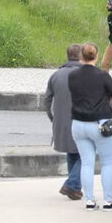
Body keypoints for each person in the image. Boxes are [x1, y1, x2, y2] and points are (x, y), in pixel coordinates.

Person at [68, 42, 112, 211]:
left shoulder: (73, 75)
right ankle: (108, 201)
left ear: (80, 57)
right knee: (107, 163)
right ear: (97, 56)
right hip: (100, 123)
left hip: (78, 123)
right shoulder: (102, 75)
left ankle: (90, 201)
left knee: (86, 163)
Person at [44, 44, 83, 201]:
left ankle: (75, 189)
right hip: (81, 119)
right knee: (86, 154)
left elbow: (47, 100)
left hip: (61, 120)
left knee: (71, 152)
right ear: (80, 56)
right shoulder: (84, 74)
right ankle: (72, 184)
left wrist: (52, 117)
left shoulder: (56, 75)